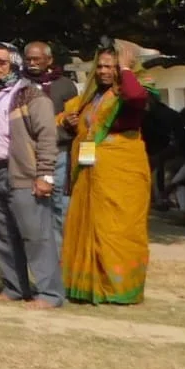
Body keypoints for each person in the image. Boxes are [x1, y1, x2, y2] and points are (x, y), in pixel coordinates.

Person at [60, 44, 151, 305]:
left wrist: (125, 68)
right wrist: (71, 123)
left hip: (122, 170)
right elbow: (74, 123)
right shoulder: (91, 98)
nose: (103, 71)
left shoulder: (131, 91)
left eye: (109, 66)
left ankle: (117, 289)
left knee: (117, 229)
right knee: (90, 225)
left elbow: (134, 97)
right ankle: (88, 287)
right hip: (91, 171)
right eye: (99, 66)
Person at [0, 43, 63, 308]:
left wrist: (45, 174)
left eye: (1, 62)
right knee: (1, 235)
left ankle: (49, 294)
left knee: (36, 235)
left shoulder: (30, 95)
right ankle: (14, 287)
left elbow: (47, 136)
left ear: (14, 64)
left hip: (23, 174)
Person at [22, 41, 79, 246]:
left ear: (49, 60)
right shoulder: (19, 85)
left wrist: (67, 123)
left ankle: (61, 259)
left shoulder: (65, 85)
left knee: (59, 207)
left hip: (59, 154)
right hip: (27, 155)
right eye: (28, 59)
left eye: (36, 59)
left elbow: (75, 118)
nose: (32, 63)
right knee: (32, 208)